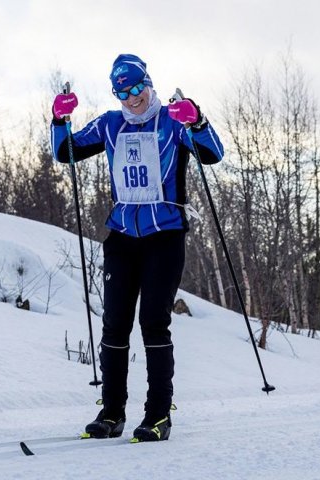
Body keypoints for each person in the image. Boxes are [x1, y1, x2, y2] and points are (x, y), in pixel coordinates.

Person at [50, 54, 224, 442]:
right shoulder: (111, 124)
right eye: (121, 92)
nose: (130, 98)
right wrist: (58, 121)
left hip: (165, 235)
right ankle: (111, 413)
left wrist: (197, 120)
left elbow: (212, 155)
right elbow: (67, 153)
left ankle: (158, 415)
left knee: (153, 321)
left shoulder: (172, 122)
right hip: (123, 236)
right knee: (114, 323)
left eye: (135, 88)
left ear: (148, 82)